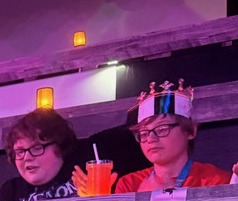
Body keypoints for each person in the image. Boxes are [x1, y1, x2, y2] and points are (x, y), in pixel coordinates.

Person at [95, 81, 231, 194]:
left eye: (162, 129)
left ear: (190, 131)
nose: (151, 138)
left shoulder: (216, 181)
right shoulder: (130, 184)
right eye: (143, 133)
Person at [0, 108, 79, 201]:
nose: (27, 157)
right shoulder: (11, 191)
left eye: (37, 148)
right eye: (20, 151)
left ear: (61, 146)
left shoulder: (88, 169)